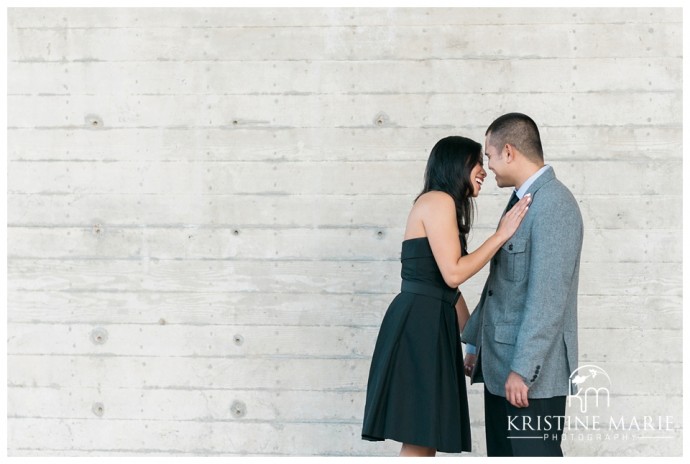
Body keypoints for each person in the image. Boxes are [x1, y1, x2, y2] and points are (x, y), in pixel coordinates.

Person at [361, 135, 531, 457]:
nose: (483, 170)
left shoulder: (442, 203)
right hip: (418, 328)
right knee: (419, 437)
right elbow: (454, 273)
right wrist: (501, 236)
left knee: (426, 438)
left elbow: (448, 290)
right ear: (457, 164)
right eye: (477, 162)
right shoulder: (438, 200)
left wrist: (470, 341)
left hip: (427, 324)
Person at [462, 113, 584, 457]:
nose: (488, 166)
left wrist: (523, 370)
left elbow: (548, 297)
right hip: (502, 369)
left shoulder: (554, 204)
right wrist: (474, 345)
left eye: (490, 155)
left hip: (530, 379)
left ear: (510, 152)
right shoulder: (520, 202)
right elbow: (500, 282)